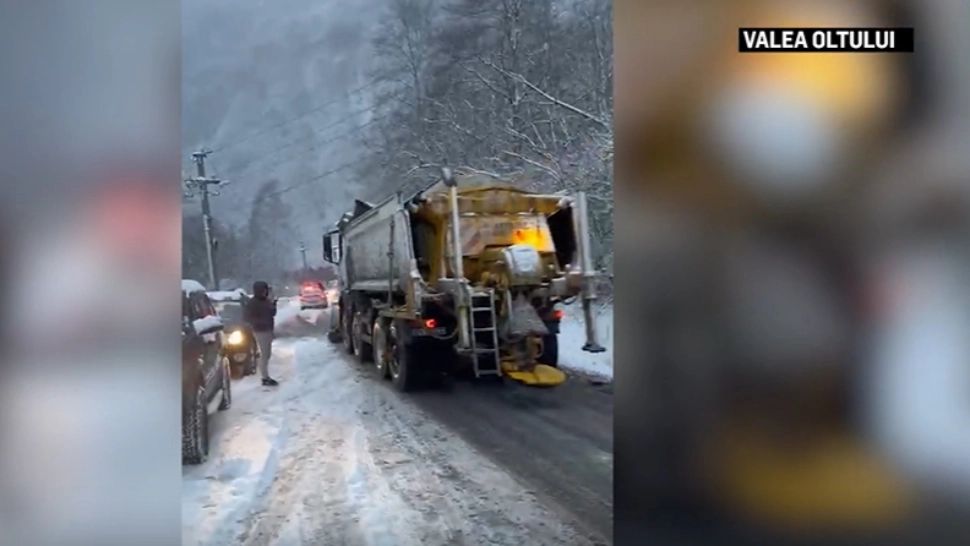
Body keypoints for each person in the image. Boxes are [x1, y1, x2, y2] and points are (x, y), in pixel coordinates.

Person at [244, 281, 278, 386]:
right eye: (264, 290)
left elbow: (272, 313)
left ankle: (265, 376)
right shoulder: (253, 303)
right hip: (260, 330)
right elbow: (248, 317)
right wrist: (261, 321)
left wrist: (273, 303)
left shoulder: (265, 301)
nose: (265, 292)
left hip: (267, 329)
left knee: (267, 354)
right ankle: (264, 377)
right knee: (264, 354)